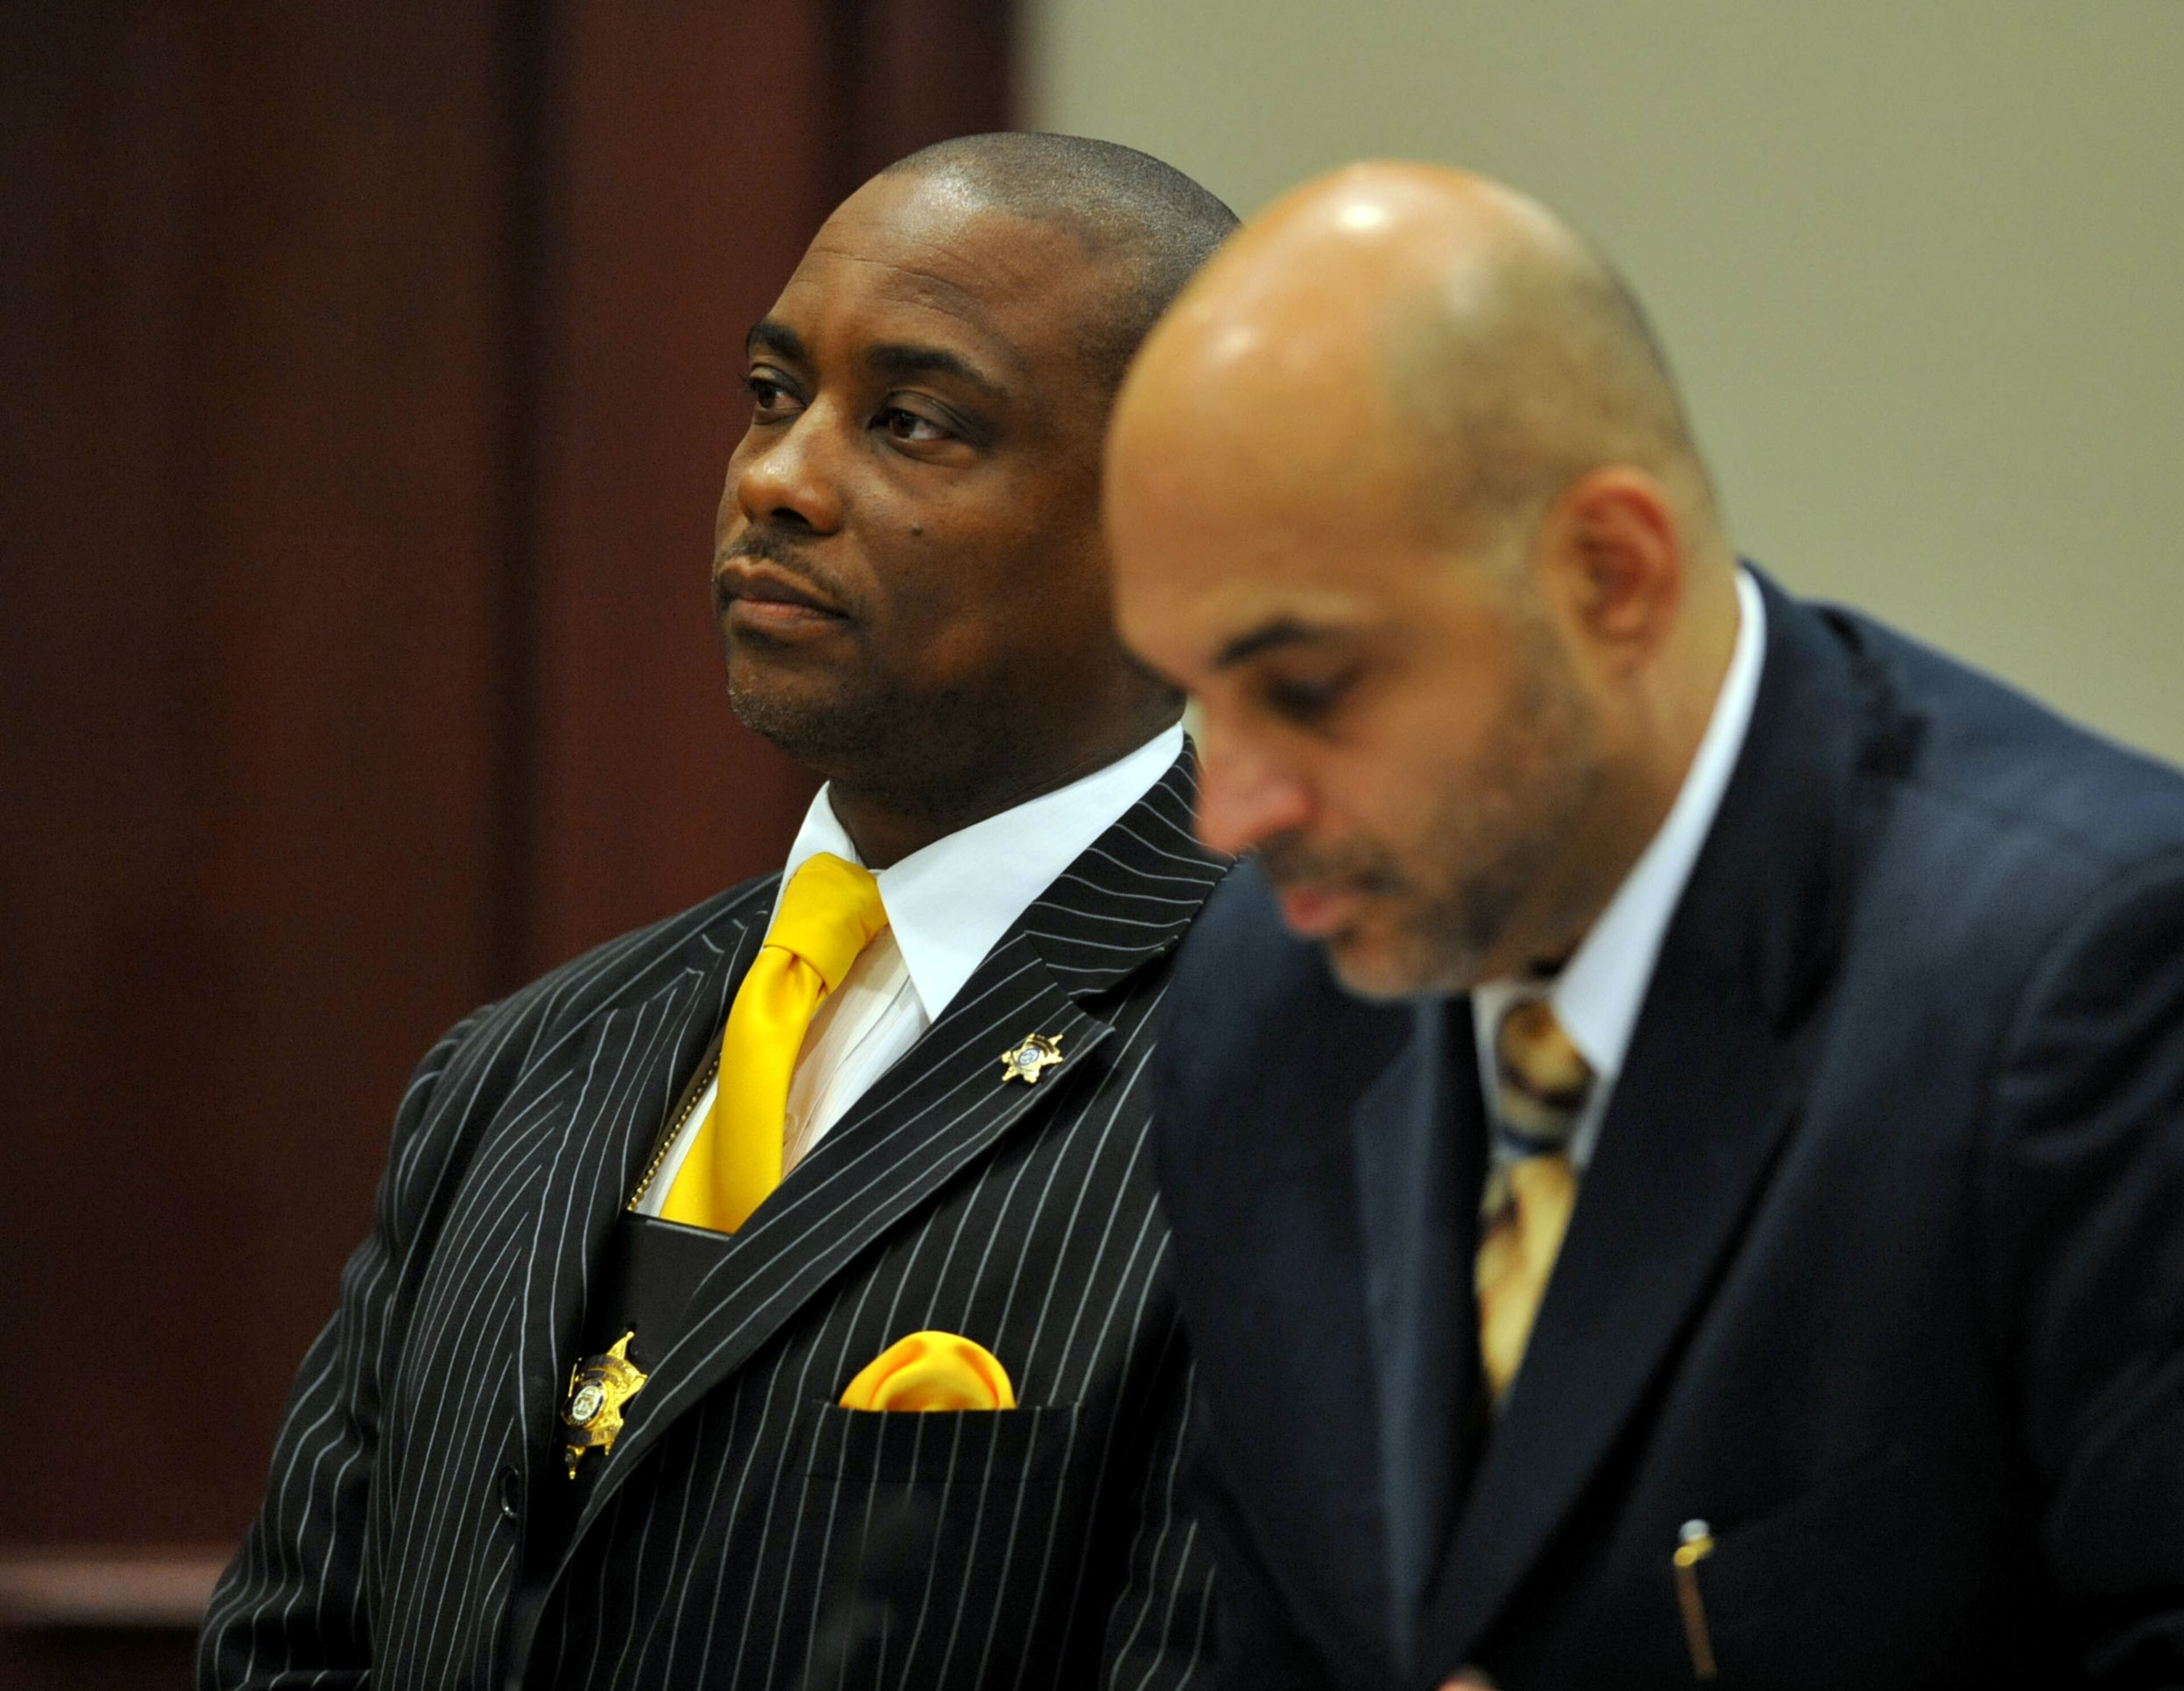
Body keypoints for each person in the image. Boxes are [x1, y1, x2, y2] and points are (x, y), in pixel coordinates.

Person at [1103, 162, 2184, 1689]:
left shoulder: (2086, 978)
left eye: (1309, 688)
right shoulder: (1261, 994)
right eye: (1192, 697)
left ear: (1611, 577)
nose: (1233, 814)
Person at [200, 133, 1238, 1691]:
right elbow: (286, 1653)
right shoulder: (520, 1065)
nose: (779, 479)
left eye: (912, 423)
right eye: (773, 396)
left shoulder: (1310, 1083)